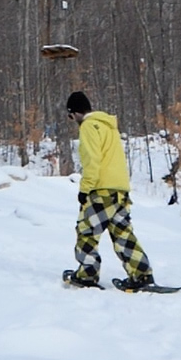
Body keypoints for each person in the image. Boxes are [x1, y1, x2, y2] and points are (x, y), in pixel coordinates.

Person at [62, 90, 157, 291]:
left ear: (75, 113)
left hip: (101, 191)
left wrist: (85, 189)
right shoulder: (109, 127)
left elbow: (92, 161)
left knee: (86, 230)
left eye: (70, 117)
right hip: (120, 190)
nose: (72, 121)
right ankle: (141, 275)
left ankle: (87, 275)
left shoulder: (88, 126)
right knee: (123, 234)